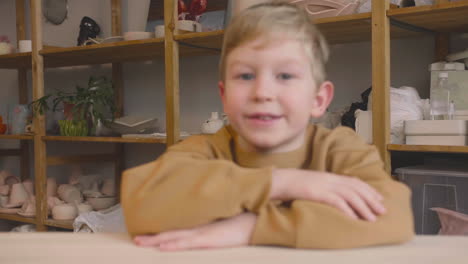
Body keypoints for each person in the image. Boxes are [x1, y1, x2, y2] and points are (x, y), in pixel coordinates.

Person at [121, 1, 414, 251]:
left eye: (285, 75)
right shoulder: (204, 149)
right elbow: (140, 204)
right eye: (245, 76)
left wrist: (252, 228)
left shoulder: (342, 149)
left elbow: (395, 217)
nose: (262, 92)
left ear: (318, 98)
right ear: (224, 96)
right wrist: (280, 183)